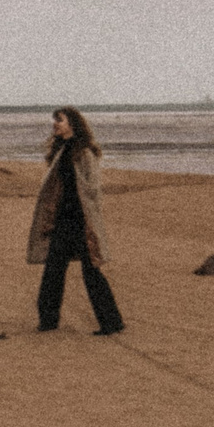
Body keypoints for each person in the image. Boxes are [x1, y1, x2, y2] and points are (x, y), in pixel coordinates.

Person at [27, 106, 123, 335]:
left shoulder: (84, 152)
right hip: (61, 221)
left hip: (81, 222)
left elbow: (92, 190)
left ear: (72, 123)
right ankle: (48, 320)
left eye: (59, 120)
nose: (55, 124)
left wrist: (88, 219)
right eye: (55, 120)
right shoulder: (61, 149)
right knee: (53, 271)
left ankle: (112, 322)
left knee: (91, 273)